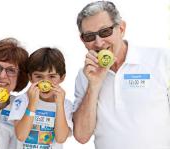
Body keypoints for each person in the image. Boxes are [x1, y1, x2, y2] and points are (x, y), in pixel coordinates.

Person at [72, 1, 170, 149]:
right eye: (90, 36)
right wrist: (94, 85)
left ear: (121, 28)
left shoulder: (161, 59)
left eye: (105, 32)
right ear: (82, 40)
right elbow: (81, 136)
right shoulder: (84, 75)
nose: (98, 43)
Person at [8, 47, 73, 149]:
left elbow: (61, 138)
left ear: (62, 78)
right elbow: (21, 136)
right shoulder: (22, 100)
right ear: (30, 78)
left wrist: (59, 105)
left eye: (52, 77)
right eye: (39, 77)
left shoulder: (65, 104)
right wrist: (32, 103)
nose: (45, 82)